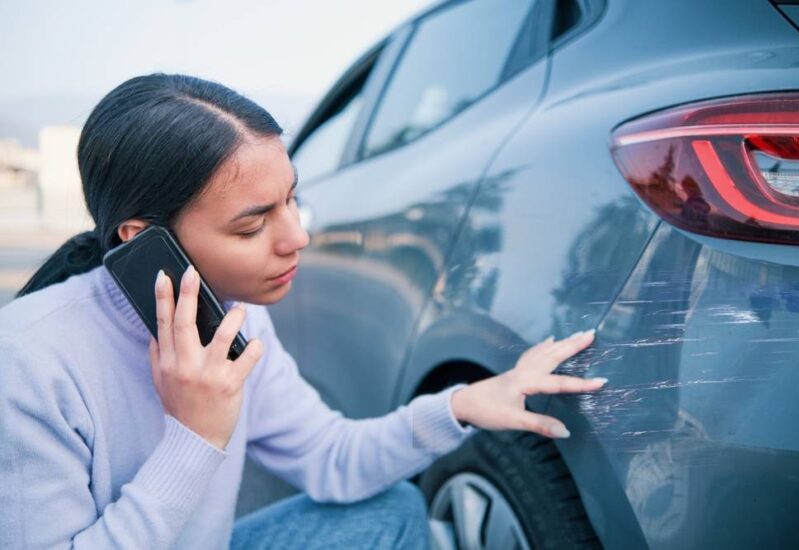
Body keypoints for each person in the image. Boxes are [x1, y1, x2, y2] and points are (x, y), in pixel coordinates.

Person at [0, 74, 606, 549]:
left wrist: (462, 405)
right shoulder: (30, 361)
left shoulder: (233, 319)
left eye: (292, 199)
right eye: (254, 224)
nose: (296, 238)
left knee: (390, 509)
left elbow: (331, 458)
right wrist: (196, 434)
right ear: (142, 240)